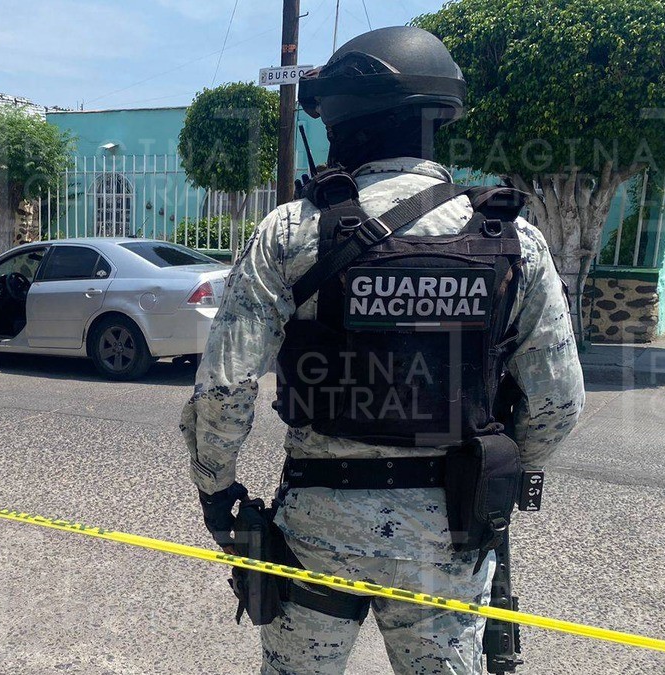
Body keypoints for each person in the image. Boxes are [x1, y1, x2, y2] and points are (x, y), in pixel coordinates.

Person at [182, 26, 585, 675]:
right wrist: (501, 477)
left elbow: (224, 390)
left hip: (317, 531)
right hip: (449, 532)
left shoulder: (291, 231)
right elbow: (559, 403)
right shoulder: (512, 239)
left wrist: (217, 492)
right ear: (437, 118)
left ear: (339, 118)